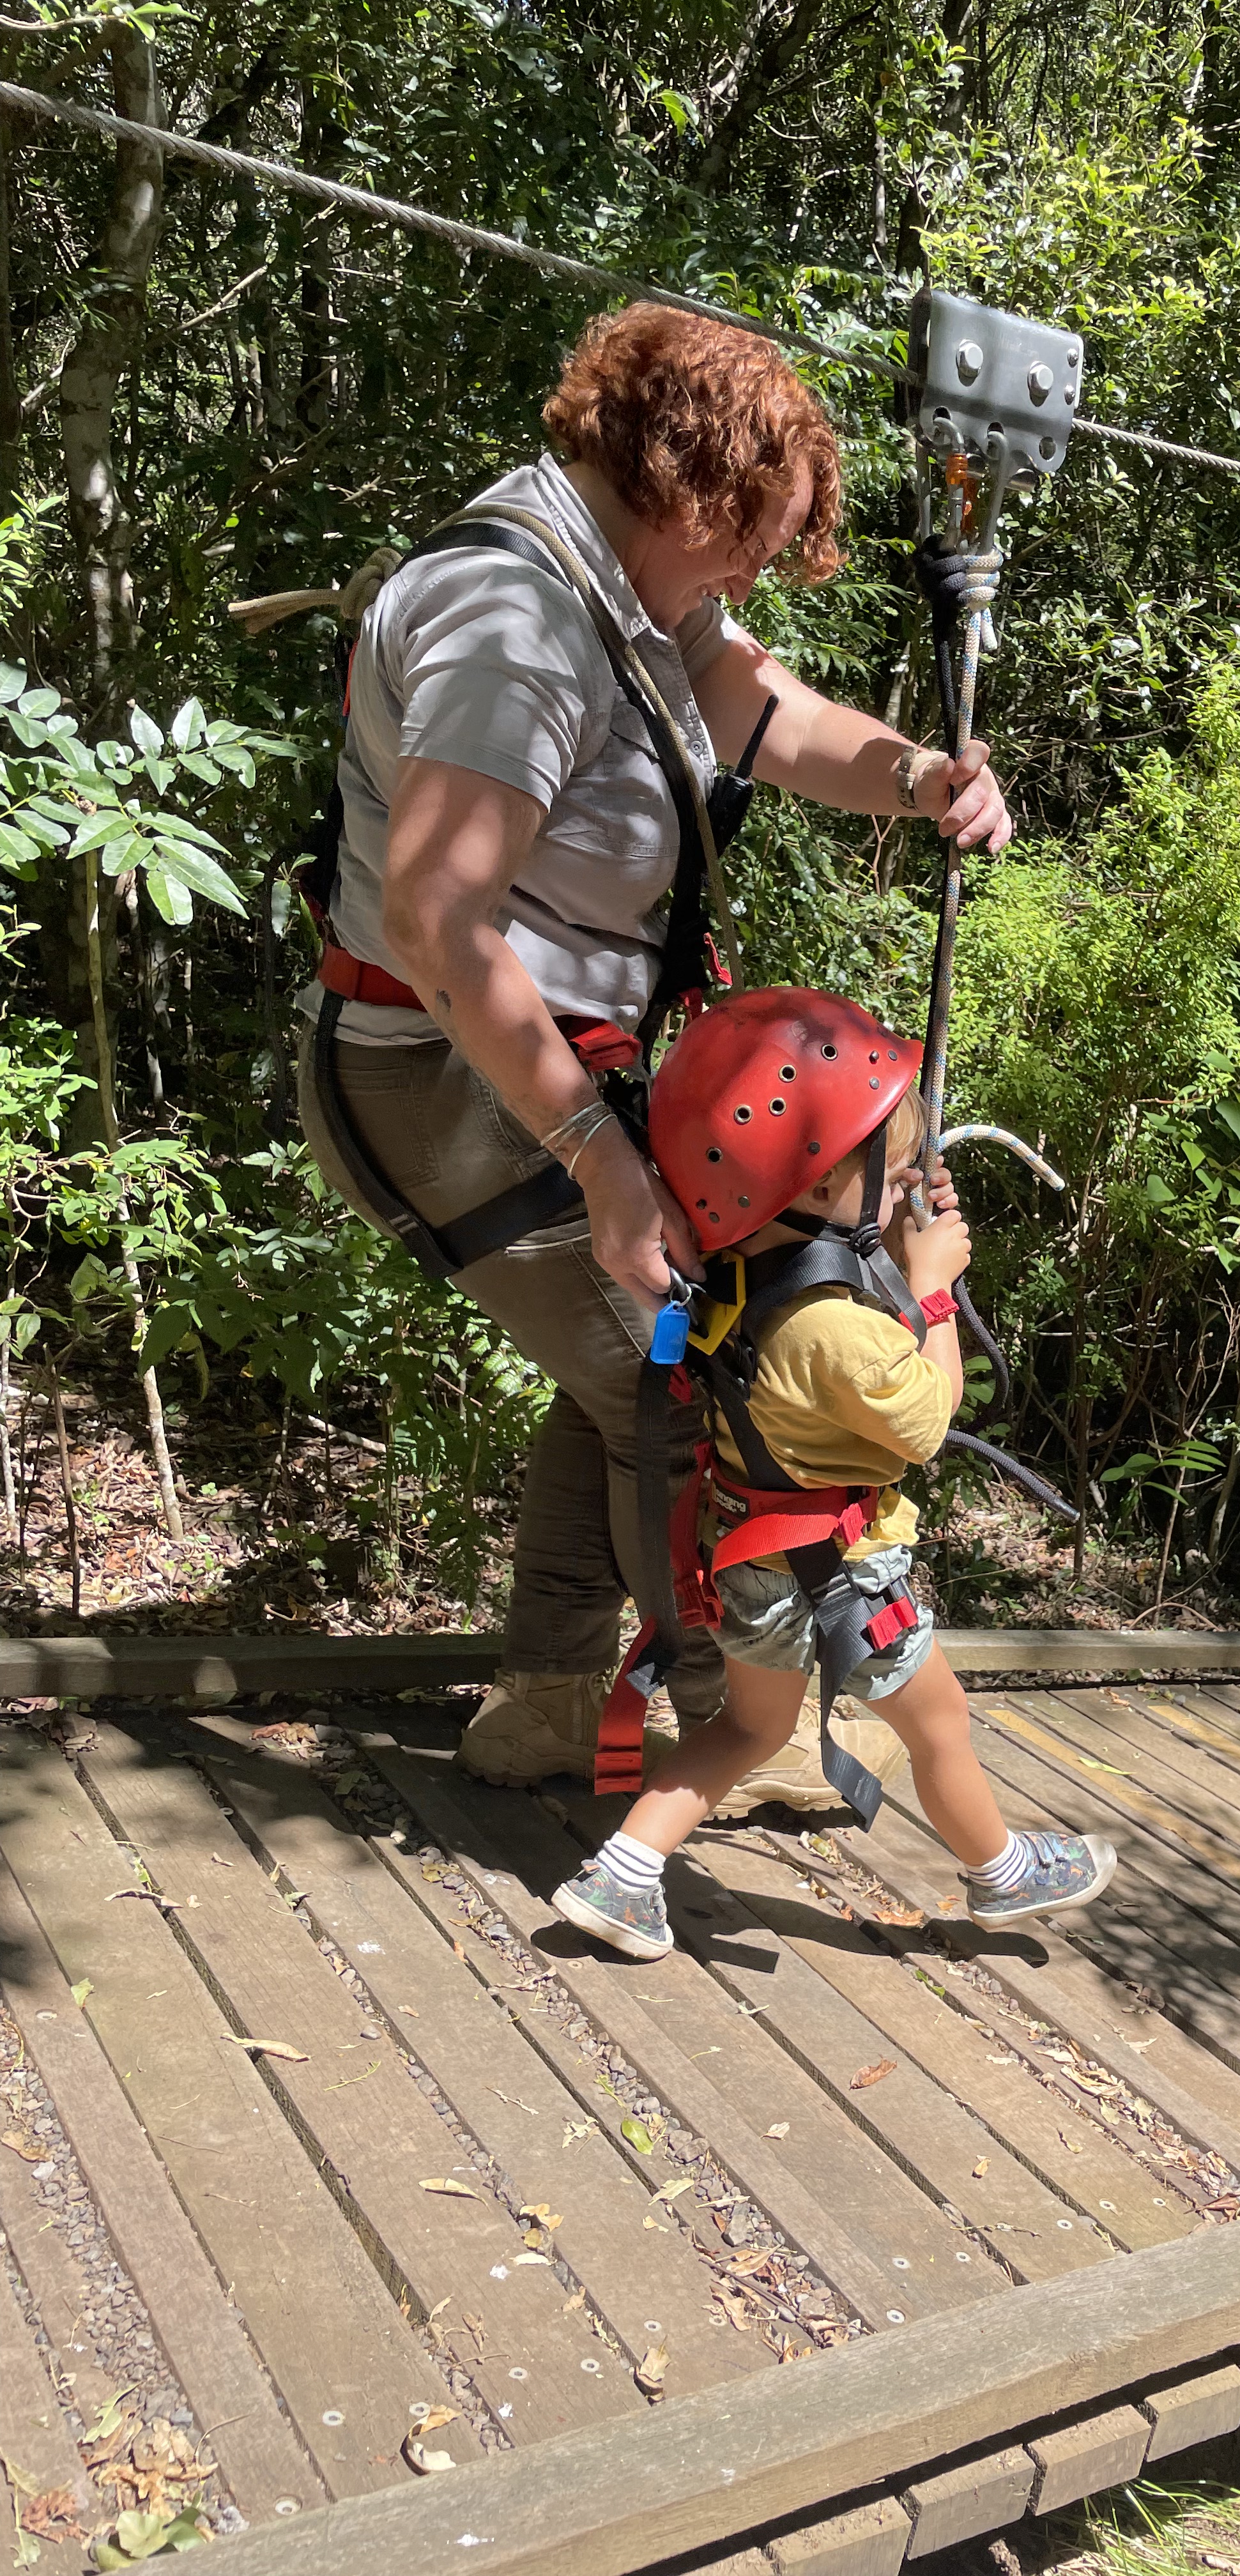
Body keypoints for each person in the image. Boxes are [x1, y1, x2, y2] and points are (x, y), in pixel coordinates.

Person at [295, 300, 1013, 1803]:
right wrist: (602, 1165)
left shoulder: (623, 582)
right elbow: (438, 922)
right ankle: (733, 1722)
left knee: (631, 1362)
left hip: (537, 1066)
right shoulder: (514, 626)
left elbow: (768, 713)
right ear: (689, 490)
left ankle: (548, 1704)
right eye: (749, 543)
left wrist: (919, 775)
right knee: (700, 1387)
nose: (749, 579)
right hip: (440, 1077)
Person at [549, 988, 1116, 1958]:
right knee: (940, 1723)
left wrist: (893, 1238)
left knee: (748, 1729)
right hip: (843, 1573)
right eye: (888, 1174)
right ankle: (1002, 1872)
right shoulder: (834, 1330)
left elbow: (836, 1318)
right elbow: (926, 1422)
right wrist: (934, 1290)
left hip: (751, 1557)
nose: (903, 1190)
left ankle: (623, 1872)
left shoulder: (732, 1269)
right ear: (814, 1188)